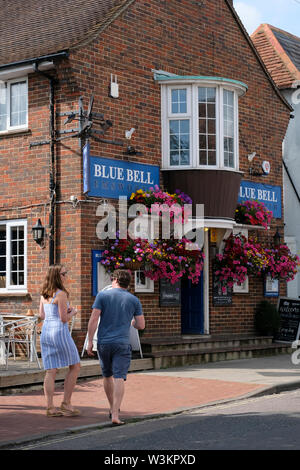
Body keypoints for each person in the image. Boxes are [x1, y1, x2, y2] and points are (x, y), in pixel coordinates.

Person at [87, 269, 145, 425]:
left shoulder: (103, 296)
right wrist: (132, 322)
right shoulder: (134, 300)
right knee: (119, 377)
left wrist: (90, 341)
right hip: (122, 344)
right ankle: (115, 413)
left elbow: (93, 320)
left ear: (115, 280)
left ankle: (112, 407)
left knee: (107, 376)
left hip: (104, 343)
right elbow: (141, 325)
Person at [39, 264, 81, 417]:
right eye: (64, 273)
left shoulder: (44, 294)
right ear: (57, 276)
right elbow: (64, 319)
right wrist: (73, 312)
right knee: (75, 365)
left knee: (51, 370)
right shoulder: (61, 294)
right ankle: (66, 403)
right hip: (59, 333)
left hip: (46, 332)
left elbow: (42, 315)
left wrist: (63, 312)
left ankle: (50, 407)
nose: (66, 276)